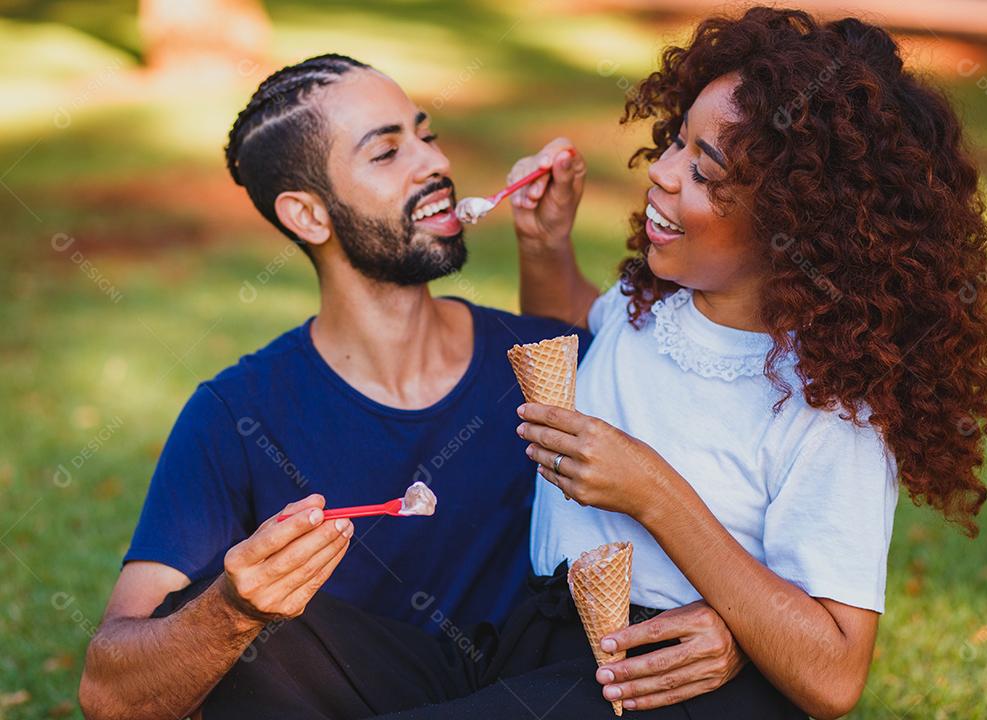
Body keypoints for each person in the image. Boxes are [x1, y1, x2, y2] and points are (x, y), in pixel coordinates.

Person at [79, 54, 743, 720]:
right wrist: (233, 610)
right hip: (359, 688)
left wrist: (734, 632)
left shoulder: (543, 365)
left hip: (540, 691)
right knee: (241, 635)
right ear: (309, 216)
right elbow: (110, 693)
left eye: (425, 135)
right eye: (387, 153)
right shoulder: (235, 415)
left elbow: (725, 502)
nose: (433, 163)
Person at [511, 6, 987, 717]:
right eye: (675, 141)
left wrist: (653, 491)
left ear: (793, 219)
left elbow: (836, 676)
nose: (659, 173)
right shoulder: (655, 301)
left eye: (702, 167)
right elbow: (572, 336)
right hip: (531, 635)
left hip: (655, 679)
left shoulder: (827, 409)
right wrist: (545, 246)